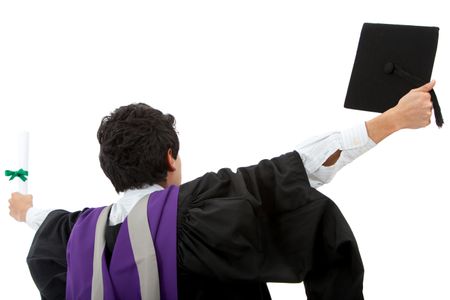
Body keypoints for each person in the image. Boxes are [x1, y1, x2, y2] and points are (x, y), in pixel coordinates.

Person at [9, 81, 436, 300]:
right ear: (171, 158)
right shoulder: (200, 210)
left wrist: (23, 209)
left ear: (111, 172)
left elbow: (46, 223)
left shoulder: (81, 235)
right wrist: (392, 120)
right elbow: (297, 171)